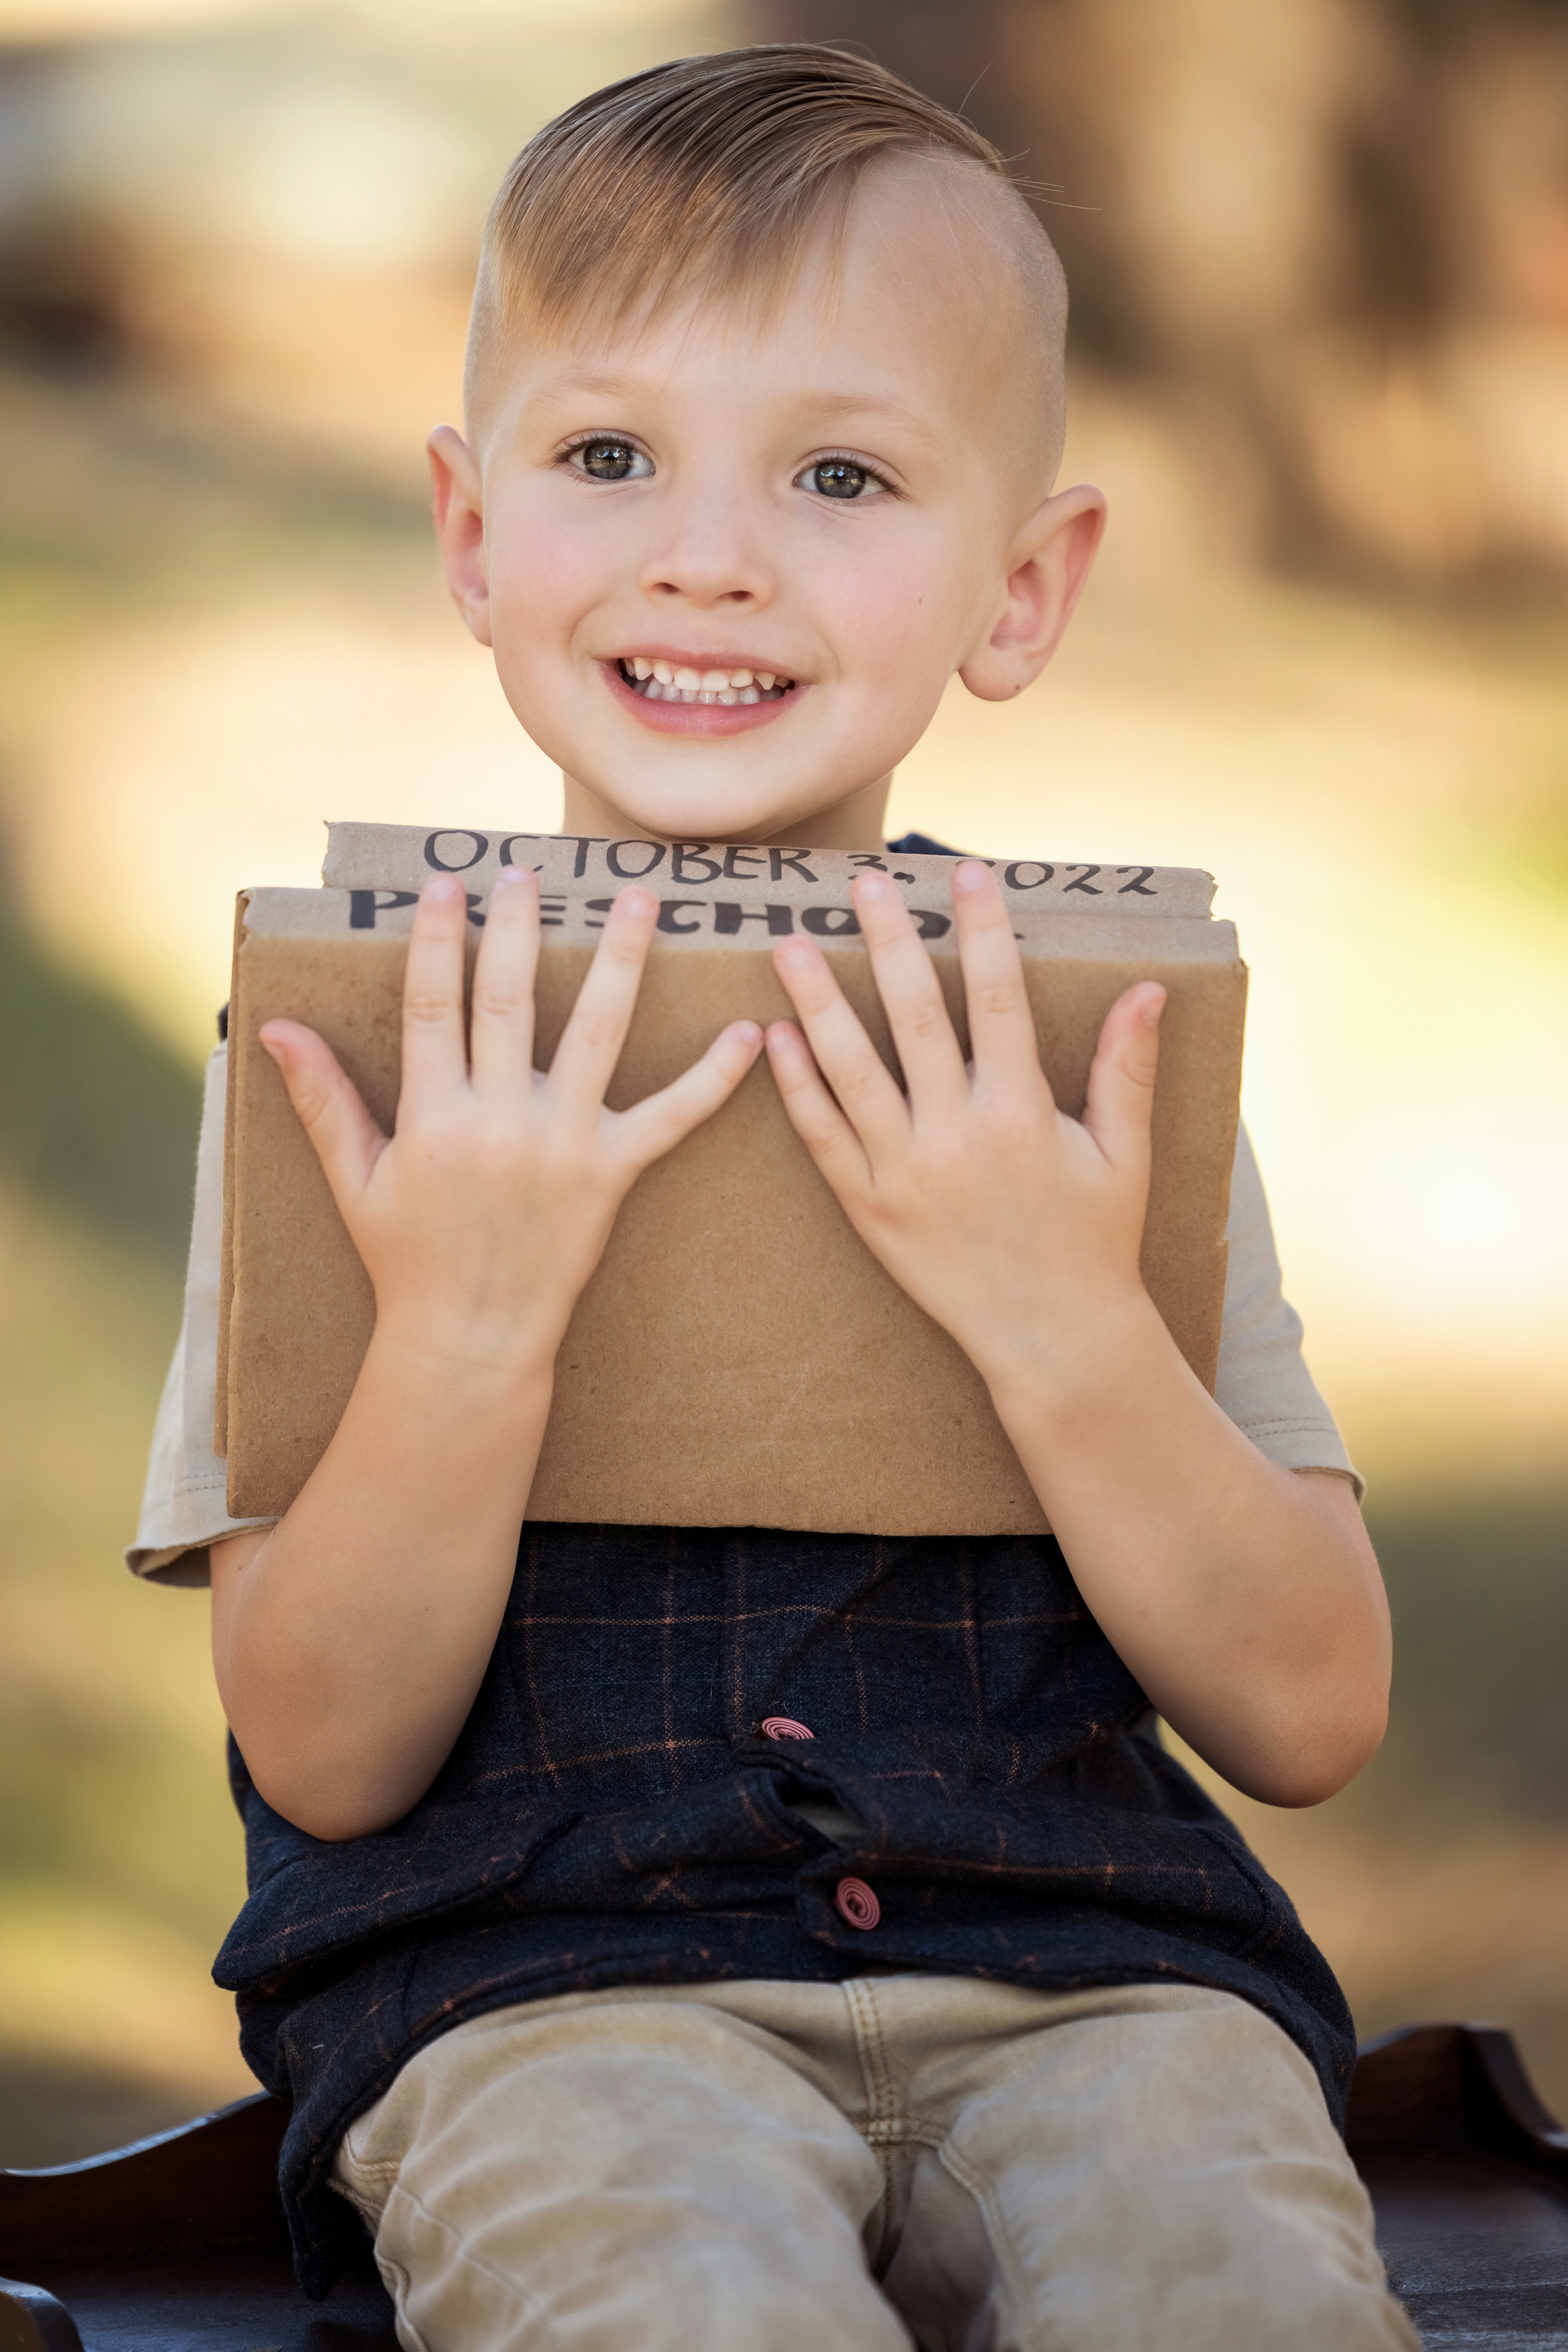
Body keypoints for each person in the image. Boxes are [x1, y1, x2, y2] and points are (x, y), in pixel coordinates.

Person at [129, 43, 1418, 2352]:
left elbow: (1312, 1710)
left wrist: (1058, 1316)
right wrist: (464, 1326)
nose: (705, 550)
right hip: (546, 2016)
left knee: (1234, 2291)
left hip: (1105, 1999)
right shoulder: (349, 1063)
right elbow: (325, 1750)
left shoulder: (1093, 1068)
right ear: (470, 532)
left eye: (838, 473)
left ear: (1021, 591)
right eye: (609, 454)